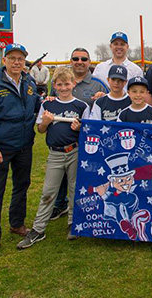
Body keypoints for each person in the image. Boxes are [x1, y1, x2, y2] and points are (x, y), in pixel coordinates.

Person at [0, 43, 41, 258]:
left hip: (24, 146)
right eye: (12, 58)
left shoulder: (29, 84)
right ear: (4, 61)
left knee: (22, 185)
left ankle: (17, 223)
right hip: (0, 149)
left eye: (20, 59)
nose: (16, 62)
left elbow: (37, 107)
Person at [17, 67, 89, 249]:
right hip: (55, 153)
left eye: (67, 84)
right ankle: (39, 229)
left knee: (74, 189)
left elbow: (88, 132)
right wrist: (46, 122)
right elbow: (40, 129)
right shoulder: (48, 105)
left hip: (75, 151)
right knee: (48, 192)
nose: (64, 88)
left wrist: (80, 128)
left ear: (73, 83)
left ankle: (73, 224)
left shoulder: (81, 106)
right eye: (60, 84)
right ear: (54, 86)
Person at [50, 47, 107, 221]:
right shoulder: (62, 81)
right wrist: (50, 99)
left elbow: (110, 103)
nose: (79, 62)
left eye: (84, 59)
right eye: (76, 58)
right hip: (62, 138)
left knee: (85, 175)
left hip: (88, 138)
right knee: (61, 176)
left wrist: (104, 95)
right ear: (71, 61)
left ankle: (85, 207)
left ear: (89, 62)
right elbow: (53, 103)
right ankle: (60, 204)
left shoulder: (98, 83)